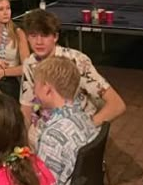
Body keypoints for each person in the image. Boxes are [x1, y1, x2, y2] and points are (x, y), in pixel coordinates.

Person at [20, 10, 126, 144]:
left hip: (78, 126)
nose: (39, 41)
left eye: (45, 35)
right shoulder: (29, 64)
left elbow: (117, 105)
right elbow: (27, 107)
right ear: (27, 38)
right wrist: (22, 143)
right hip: (47, 127)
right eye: (34, 36)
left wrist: (86, 127)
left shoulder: (77, 61)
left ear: (55, 37)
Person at [32, 55, 99, 185]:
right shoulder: (84, 116)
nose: (34, 91)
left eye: (36, 85)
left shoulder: (52, 136)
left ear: (47, 88)